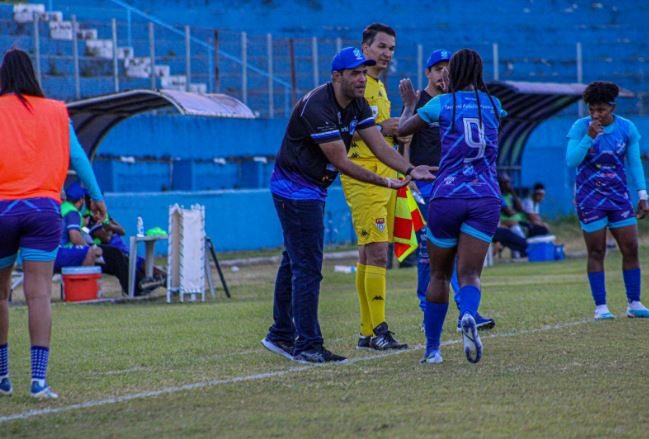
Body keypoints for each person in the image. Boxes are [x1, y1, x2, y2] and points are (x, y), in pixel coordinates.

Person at [261, 47, 434, 364]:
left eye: (362, 72)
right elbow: (342, 161)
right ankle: (308, 345)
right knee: (308, 267)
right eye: (355, 72)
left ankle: (280, 334)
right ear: (336, 76)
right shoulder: (318, 106)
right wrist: (385, 181)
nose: (361, 77)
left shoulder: (358, 103)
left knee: (295, 261)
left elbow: (379, 144)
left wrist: (409, 170)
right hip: (295, 190)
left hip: (312, 188)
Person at [0, 48, 106, 399]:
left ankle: (2, 378)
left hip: (2, 209)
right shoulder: (57, 112)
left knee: (0, 295)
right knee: (39, 294)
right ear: (33, 75)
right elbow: (78, 156)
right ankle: (38, 381)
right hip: (44, 208)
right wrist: (97, 197)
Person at [398, 48, 506, 364]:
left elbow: (402, 131)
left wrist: (408, 106)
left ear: (452, 73)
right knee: (470, 273)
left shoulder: (441, 103)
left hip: (447, 194)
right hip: (485, 196)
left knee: (439, 275)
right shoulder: (495, 104)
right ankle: (469, 315)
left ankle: (432, 350)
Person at [340, 23, 408, 351]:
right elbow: (344, 129)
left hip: (383, 176)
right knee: (378, 252)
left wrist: (398, 133)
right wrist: (383, 128)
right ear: (365, 47)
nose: (387, 54)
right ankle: (379, 329)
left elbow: (380, 133)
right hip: (361, 175)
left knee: (369, 252)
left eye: (392, 49)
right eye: (382, 46)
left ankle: (367, 332)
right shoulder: (357, 84)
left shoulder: (379, 88)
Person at [566, 81, 649, 320]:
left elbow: (634, 163)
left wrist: (643, 195)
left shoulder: (627, 128)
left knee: (631, 248)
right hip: (589, 198)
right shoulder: (581, 127)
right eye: (591, 109)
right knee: (596, 251)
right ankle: (601, 306)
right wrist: (589, 138)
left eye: (601, 110)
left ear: (612, 107)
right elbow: (572, 160)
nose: (595, 115)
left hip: (619, 197)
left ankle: (634, 303)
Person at [54, 182, 104, 272]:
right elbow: (75, 237)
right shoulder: (72, 212)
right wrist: (91, 249)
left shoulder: (62, 207)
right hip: (58, 252)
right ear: (81, 200)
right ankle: (83, 284)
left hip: (49, 250)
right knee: (90, 253)